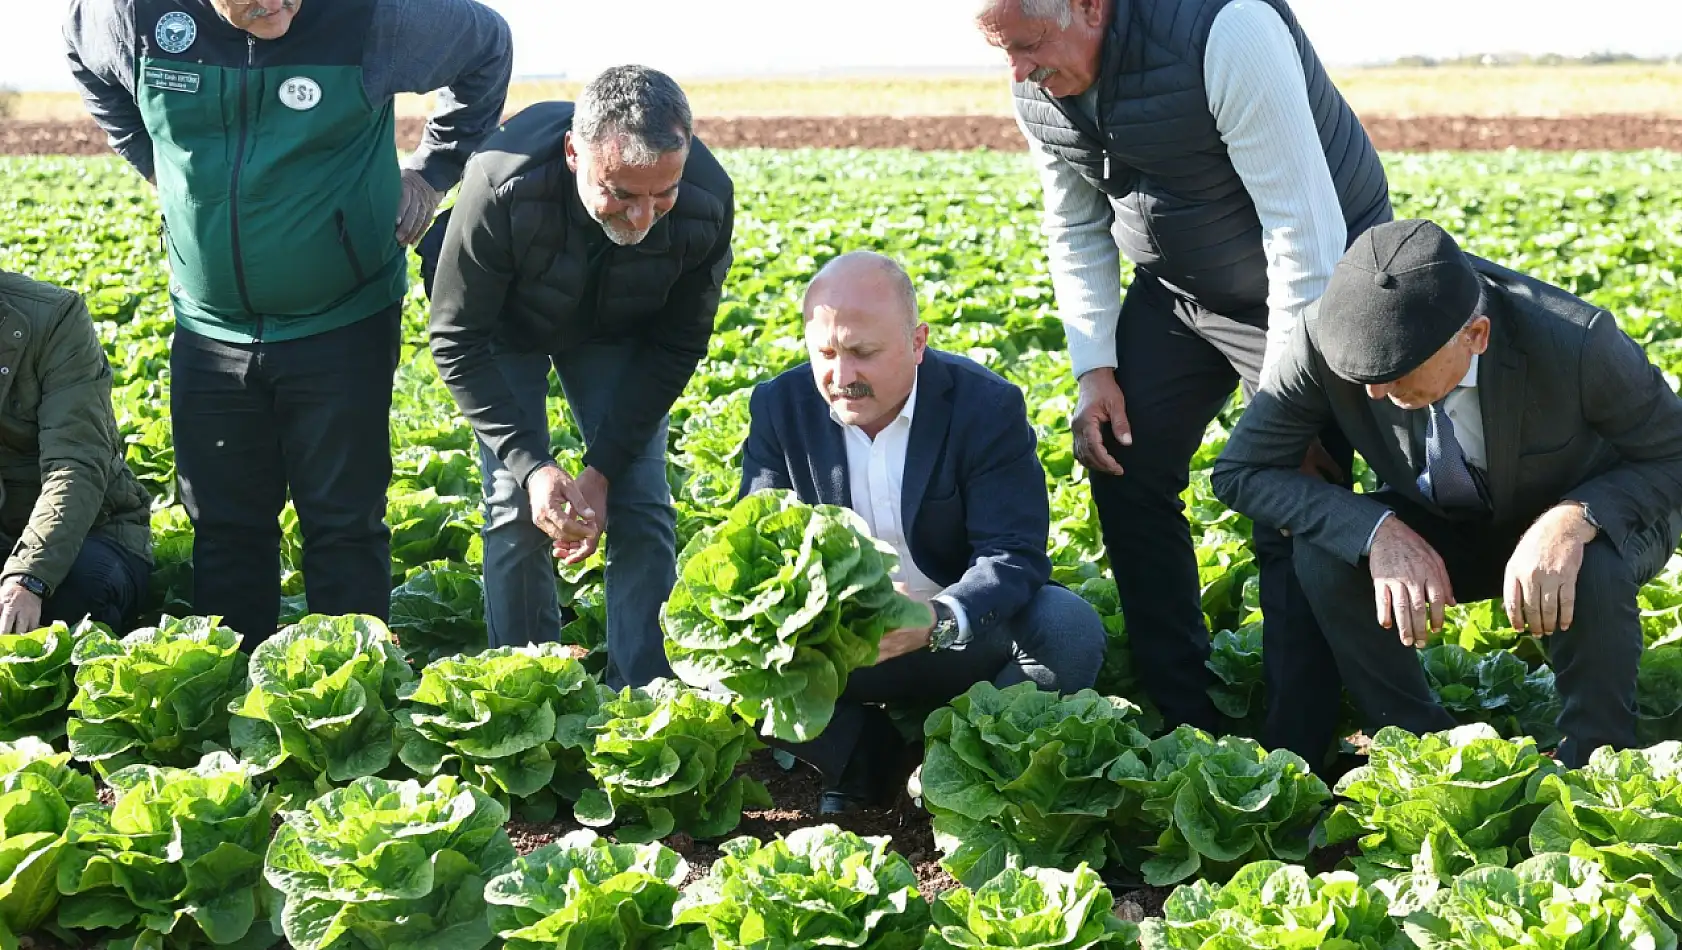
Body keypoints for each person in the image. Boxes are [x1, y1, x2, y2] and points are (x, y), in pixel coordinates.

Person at [972, 0, 1393, 763]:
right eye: (1003, 51)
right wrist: (1093, 365)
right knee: (1121, 458)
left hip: (1313, 284)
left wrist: (1288, 412)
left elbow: (1303, 229)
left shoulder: (1229, 30)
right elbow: (1074, 222)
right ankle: (1185, 716)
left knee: (1293, 500)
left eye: (1028, 45)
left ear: (1090, 6)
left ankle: (1298, 750)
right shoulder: (1035, 78)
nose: (1017, 71)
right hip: (1180, 288)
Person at [62, 0, 514, 645]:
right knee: (223, 525)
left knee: (343, 523)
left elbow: (487, 45)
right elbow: (84, 56)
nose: (275, 4)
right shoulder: (134, 15)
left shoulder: (371, 16)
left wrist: (435, 169)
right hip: (209, 324)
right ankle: (235, 698)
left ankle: (351, 696)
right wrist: (156, 163)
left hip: (343, 317)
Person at [1210, 219, 1682, 769]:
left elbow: (1672, 453)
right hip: (1445, 517)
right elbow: (1241, 470)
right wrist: (1374, 530)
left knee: (1591, 564)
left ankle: (1593, 757)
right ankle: (1415, 752)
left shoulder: (1577, 340)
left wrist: (1575, 519)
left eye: (1395, 372)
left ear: (1475, 335)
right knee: (1327, 549)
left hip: (1586, 518)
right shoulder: (1323, 337)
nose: (1375, 392)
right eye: (1362, 375)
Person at [739, 251, 1108, 814]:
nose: (842, 377)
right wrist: (833, 615)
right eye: (826, 354)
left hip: (960, 638)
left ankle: (958, 761)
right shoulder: (779, 406)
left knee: (1068, 629)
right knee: (716, 649)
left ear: (917, 343)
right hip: (836, 649)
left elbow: (1014, 553)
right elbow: (760, 546)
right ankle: (861, 758)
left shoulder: (986, 405)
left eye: (863, 353)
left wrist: (936, 617)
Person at [424, 66, 735, 690]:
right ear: (575, 153)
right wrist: (534, 466)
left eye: (662, 194)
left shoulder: (705, 202)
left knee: (640, 501)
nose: (644, 216)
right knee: (516, 506)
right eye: (621, 192)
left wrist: (601, 471)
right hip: (505, 328)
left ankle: (643, 696)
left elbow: (677, 346)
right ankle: (526, 688)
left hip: (619, 330)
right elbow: (458, 339)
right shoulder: (501, 181)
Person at [0, 272, 153, 635]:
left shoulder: (54, 318)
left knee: (63, 609)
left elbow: (76, 463)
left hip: (93, 530)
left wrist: (29, 576)